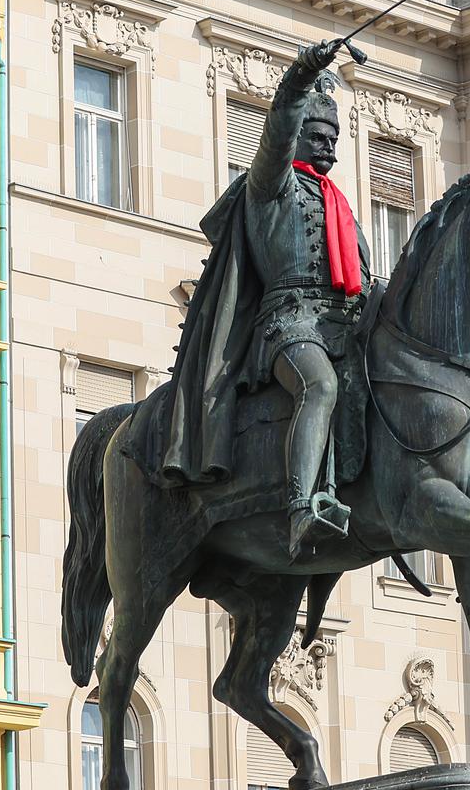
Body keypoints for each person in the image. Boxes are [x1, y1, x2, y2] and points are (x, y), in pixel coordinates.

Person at [129, 38, 372, 557]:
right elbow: (277, 128)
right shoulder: (271, 187)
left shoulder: (339, 206)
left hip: (343, 325)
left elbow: (364, 278)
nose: (328, 148)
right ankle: (301, 508)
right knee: (320, 386)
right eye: (317, 136)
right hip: (289, 324)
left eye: (333, 139)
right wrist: (301, 74)